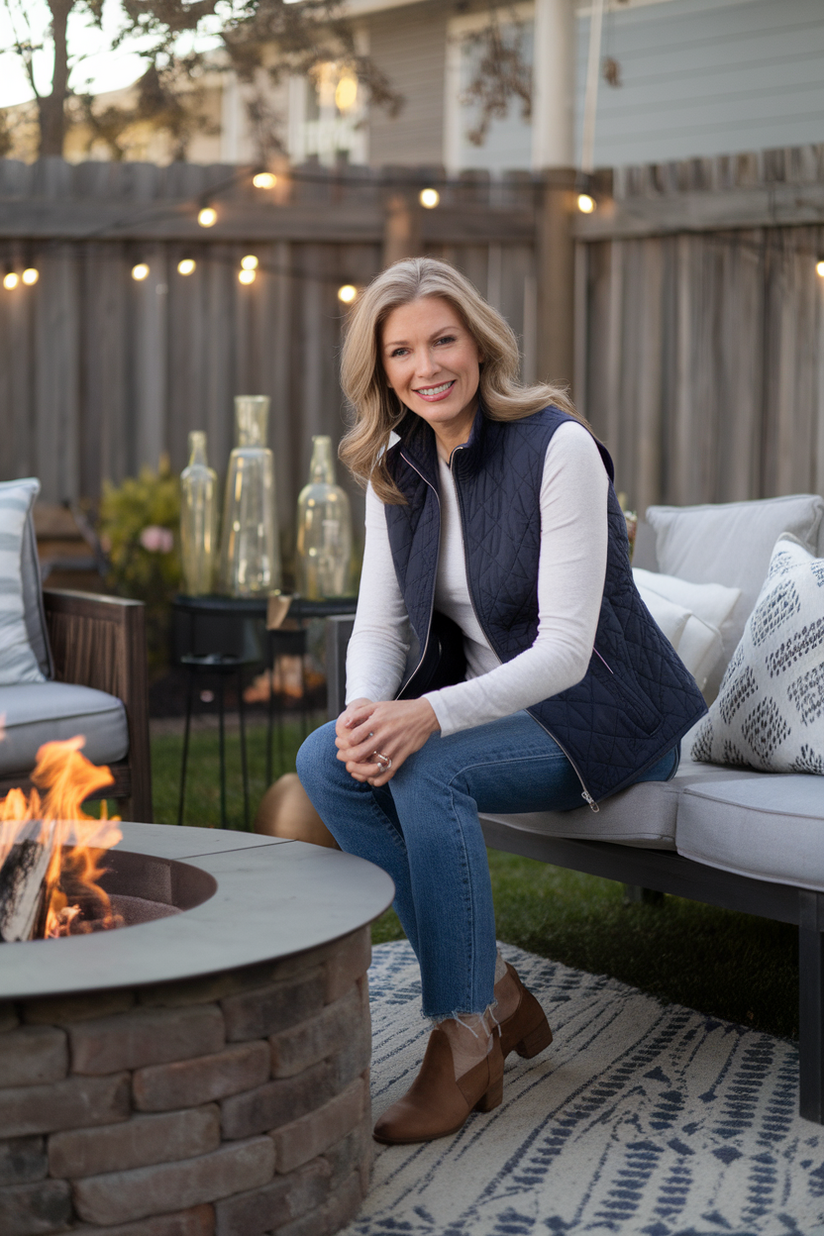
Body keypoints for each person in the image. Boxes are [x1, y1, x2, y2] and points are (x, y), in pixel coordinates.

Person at [296, 257, 707, 1146]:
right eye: (401, 350)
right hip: (497, 710)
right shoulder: (394, 464)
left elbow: (566, 651)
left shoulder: (554, 447)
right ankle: (500, 992)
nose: (425, 366)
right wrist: (367, 716)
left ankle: (465, 1032)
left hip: (609, 713)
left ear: (479, 346)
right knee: (325, 761)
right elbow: (377, 629)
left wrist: (428, 717)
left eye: (443, 340)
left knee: (428, 771)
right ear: (381, 368)